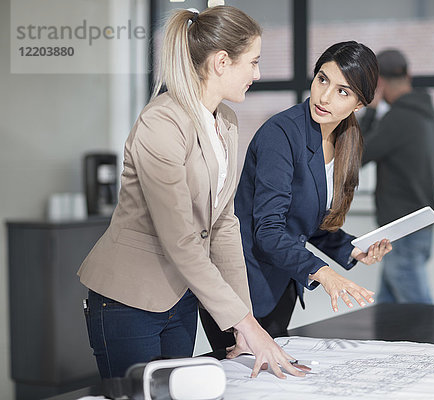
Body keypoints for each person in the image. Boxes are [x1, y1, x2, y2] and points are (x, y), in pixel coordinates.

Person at [77, 6, 308, 380]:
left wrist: (240, 322)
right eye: (252, 62)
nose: (257, 74)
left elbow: (223, 225)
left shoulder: (227, 122)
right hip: (128, 299)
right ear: (221, 62)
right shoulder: (162, 122)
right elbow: (181, 238)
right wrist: (248, 324)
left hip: (181, 298)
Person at [199, 41, 392, 350]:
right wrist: (324, 272)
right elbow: (269, 230)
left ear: (358, 104)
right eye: (323, 79)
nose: (325, 96)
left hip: (281, 282)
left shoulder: (345, 141)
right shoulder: (282, 133)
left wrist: (354, 250)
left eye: (343, 91)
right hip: (242, 286)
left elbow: (307, 221)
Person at [359, 49, 434, 304]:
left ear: (379, 83)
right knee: (388, 310)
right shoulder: (431, 117)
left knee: (419, 310)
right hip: (421, 224)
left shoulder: (397, 119)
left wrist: (371, 112)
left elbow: (356, 157)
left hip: (403, 228)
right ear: (408, 75)